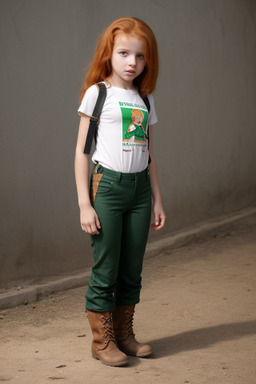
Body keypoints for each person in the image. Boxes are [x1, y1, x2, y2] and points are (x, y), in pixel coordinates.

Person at [74, 17, 166, 367]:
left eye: (140, 56)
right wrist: (85, 203)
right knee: (107, 266)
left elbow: (150, 154)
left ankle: (125, 335)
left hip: (140, 190)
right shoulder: (97, 94)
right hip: (108, 188)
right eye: (124, 53)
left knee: (132, 267)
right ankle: (102, 341)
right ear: (108, 54)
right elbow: (82, 153)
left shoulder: (144, 98)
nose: (132, 62)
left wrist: (157, 197)